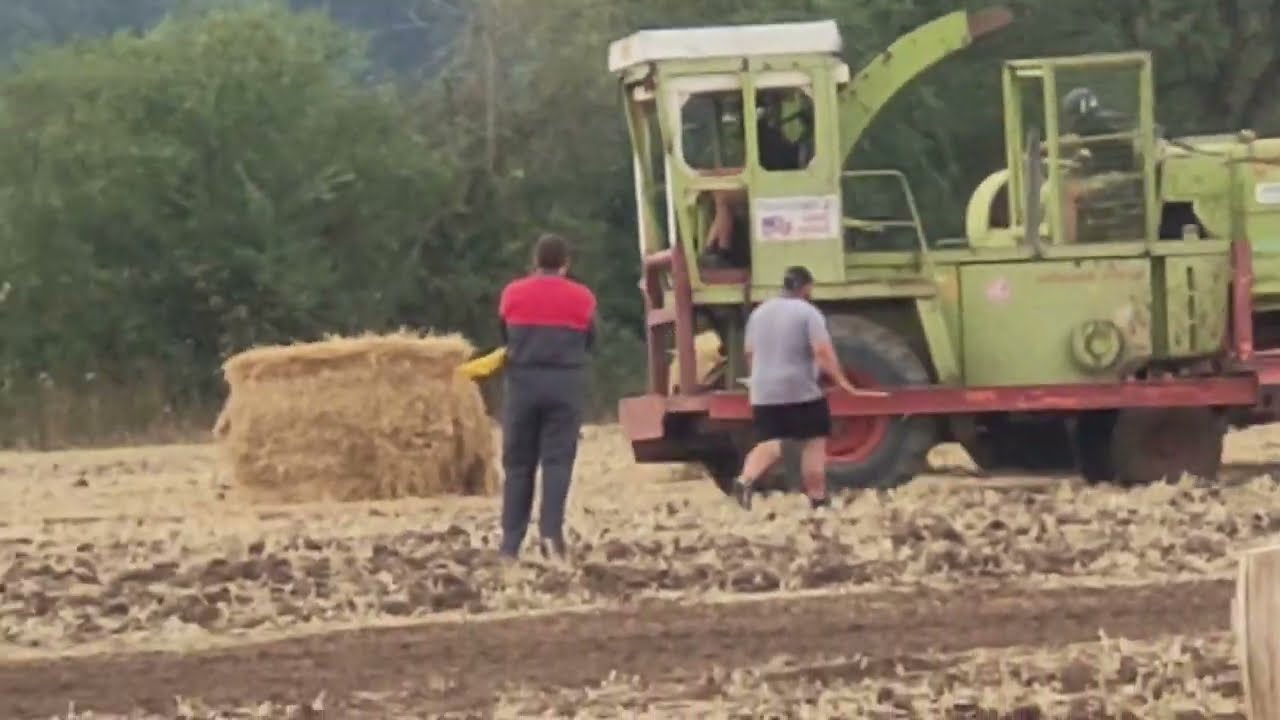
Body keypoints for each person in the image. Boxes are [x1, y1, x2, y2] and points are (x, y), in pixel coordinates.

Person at [497, 233, 597, 560]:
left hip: (522, 384)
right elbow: (590, 342)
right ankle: (551, 537)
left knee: (518, 465)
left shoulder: (513, 292)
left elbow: (504, 335)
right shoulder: (583, 297)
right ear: (566, 264)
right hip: (565, 384)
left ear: (535, 261)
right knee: (557, 464)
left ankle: (510, 543)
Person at [731, 265, 861, 511]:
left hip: (763, 390)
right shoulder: (808, 313)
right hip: (800, 390)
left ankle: (744, 480)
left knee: (771, 442)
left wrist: (756, 381)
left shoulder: (759, 313)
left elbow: (749, 353)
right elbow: (822, 351)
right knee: (813, 442)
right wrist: (843, 382)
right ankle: (817, 497)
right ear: (807, 287)